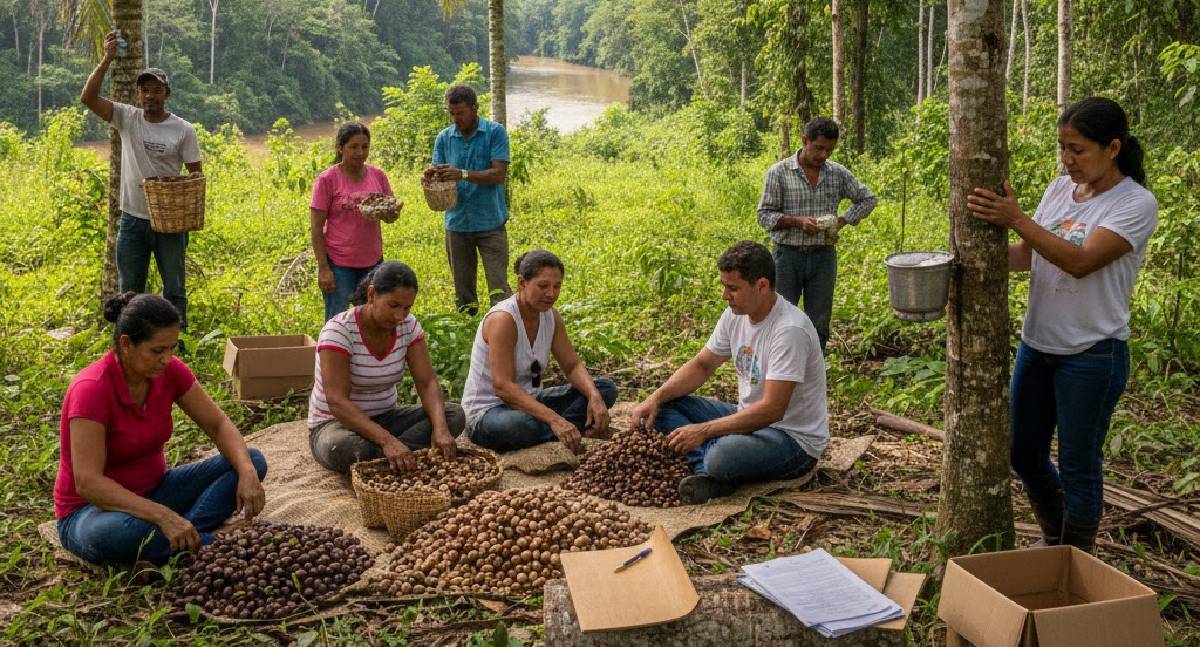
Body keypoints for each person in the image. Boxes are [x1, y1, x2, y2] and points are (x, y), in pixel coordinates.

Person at [966, 97, 1158, 551]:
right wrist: (967, 260)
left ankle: (1075, 559)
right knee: (1024, 453)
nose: (1068, 160)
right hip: (1039, 346)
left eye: (1078, 150)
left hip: (1092, 353)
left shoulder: (1135, 203)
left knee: (1078, 465)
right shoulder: (1058, 190)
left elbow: (1079, 260)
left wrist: (1015, 218)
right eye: (1063, 148)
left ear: (1113, 148)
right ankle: (1056, 539)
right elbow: (1031, 256)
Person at [54, 293, 267, 566]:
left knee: (251, 459)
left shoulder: (170, 372)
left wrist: (247, 472)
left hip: (155, 490)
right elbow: (89, 483)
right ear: (126, 344)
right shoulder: (92, 389)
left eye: (172, 349)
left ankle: (188, 535)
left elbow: (218, 424)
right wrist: (164, 516)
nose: (166, 359)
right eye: (157, 351)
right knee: (115, 535)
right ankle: (202, 538)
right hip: (93, 511)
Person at [628, 241, 828, 505]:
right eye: (724, 286)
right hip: (745, 416)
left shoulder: (789, 330)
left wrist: (704, 431)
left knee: (722, 456)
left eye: (733, 288)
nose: (725, 295)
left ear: (762, 285)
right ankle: (709, 474)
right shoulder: (735, 316)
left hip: (790, 438)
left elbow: (772, 410)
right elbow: (703, 365)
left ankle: (712, 466)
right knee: (662, 408)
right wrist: (655, 396)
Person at [80, 32, 202, 331]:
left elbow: (196, 175)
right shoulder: (127, 118)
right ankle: (127, 347)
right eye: (144, 90)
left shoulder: (183, 130)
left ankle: (176, 351)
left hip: (169, 225)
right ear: (137, 94)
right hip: (132, 221)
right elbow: (88, 98)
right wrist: (107, 58)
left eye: (156, 90)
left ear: (167, 93)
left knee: (174, 290)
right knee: (129, 292)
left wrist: (175, 194)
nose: (150, 95)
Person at [308, 262, 465, 474]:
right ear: (372, 295)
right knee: (346, 449)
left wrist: (441, 429)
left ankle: (384, 462)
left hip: (386, 418)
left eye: (407, 308)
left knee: (453, 415)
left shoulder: (408, 326)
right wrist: (387, 441)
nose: (400, 316)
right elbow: (337, 402)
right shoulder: (339, 331)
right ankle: (395, 456)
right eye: (393, 306)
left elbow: (426, 382)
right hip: (337, 425)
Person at [462, 249, 617, 453]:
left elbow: (572, 366)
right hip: (489, 412)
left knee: (605, 389)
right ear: (522, 283)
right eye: (543, 286)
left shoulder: (551, 316)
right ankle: (570, 428)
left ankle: (561, 429)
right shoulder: (504, 319)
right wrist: (554, 419)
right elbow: (503, 387)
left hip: (531, 402)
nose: (551, 294)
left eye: (557, 286)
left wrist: (594, 396)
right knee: (519, 425)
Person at [756, 117, 876, 351]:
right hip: (786, 257)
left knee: (818, 322)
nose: (823, 155)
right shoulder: (779, 173)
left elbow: (868, 198)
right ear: (804, 141)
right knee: (779, 317)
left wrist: (843, 220)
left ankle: (813, 373)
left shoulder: (837, 174)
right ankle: (777, 373)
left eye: (829, 150)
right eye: (819, 148)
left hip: (823, 257)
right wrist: (796, 222)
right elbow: (764, 216)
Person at [424, 85, 512, 314]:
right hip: (457, 223)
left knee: (499, 289)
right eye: (451, 113)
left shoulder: (495, 132)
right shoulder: (444, 138)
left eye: (460, 113)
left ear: (475, 108)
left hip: (490, 222)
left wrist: (462, 174)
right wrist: (431, 177)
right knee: (463, 293)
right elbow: (438, 172)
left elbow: (498, 174)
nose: (456, 119)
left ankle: (504, 332)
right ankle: (468, 336)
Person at [310, 122, 393, 322]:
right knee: (336, 321)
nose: (360, 152)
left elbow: (390, 216)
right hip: (339, 264)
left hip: (372, 261)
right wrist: (323, 268)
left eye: (364, 146)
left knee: (371, 319)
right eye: (353, 147)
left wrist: (388, 212)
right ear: (340, 147)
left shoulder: (377, 176)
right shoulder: (327, 180)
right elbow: (316, 227)